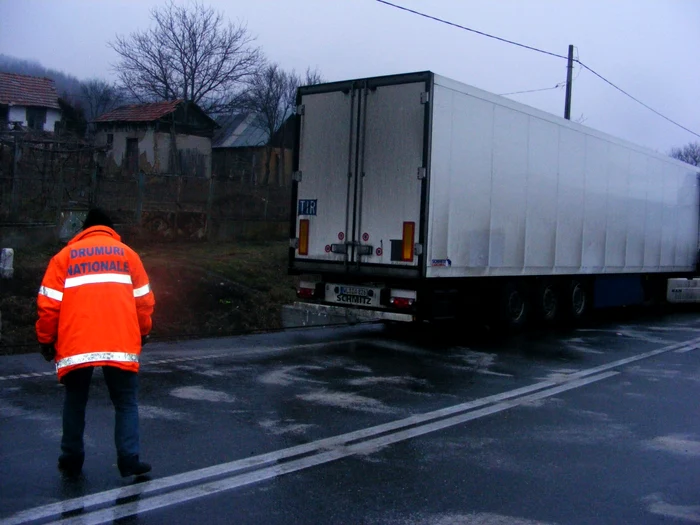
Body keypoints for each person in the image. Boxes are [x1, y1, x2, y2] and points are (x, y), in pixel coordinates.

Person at [36, 208, 155, 478]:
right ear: (110, 229)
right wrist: (144, 331)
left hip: (77, 344)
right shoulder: (128, 255)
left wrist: (46, 340)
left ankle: (71, 458)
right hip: (120, 342)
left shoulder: (64, 258)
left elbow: (48, 306)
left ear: (84, 230)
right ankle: (128, 459)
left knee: (75, 401)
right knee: (125, 402)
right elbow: (144, 302)